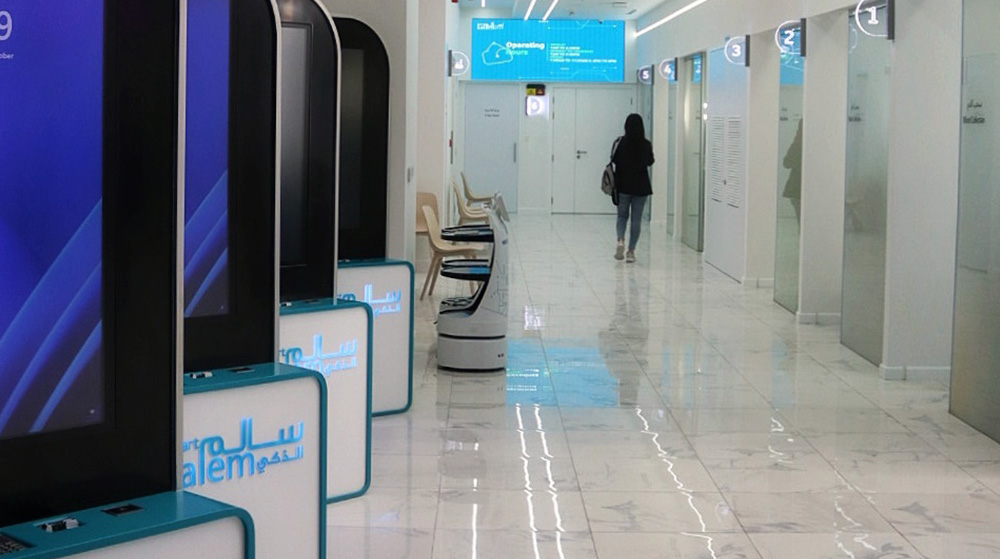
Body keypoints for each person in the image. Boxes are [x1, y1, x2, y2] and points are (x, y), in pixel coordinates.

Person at [612, 113, 655, 263]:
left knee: (622, 216)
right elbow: (650, 162)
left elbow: (614, 160)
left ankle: (620, 240)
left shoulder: (620, 142)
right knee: (636, 219)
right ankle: (631, 252)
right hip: (641, 187)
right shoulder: (646, 144)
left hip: (623, 185)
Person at [782, 119, 803, 224]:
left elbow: (787, 162)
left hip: (796, 189)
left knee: (802, 225)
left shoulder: (799, 143)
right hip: (811, 189)